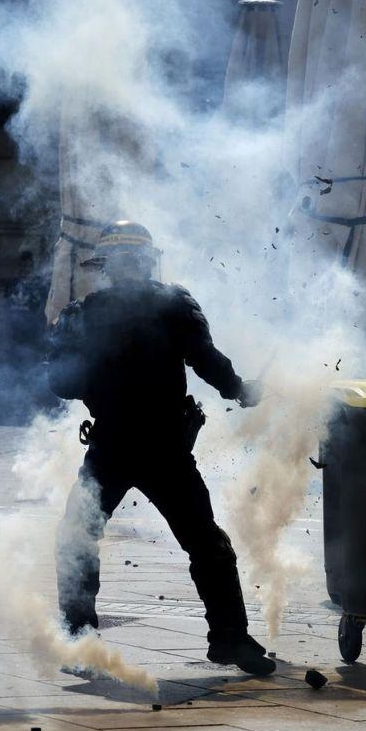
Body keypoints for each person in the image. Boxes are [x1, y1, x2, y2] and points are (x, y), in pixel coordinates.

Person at [47, 220, 274, 675]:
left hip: (119, 444)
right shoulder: (174, 304)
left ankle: (80, 639)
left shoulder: (85, 312)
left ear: (108, 267)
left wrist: (96, 366)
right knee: (204, 542)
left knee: (78, 538)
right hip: (158, 447)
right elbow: (208, 362)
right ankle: (229, 638)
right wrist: (240, 390)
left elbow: (60, 383)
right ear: (145, 262)